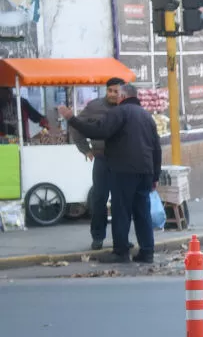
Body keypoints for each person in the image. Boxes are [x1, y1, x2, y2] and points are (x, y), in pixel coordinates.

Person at [56, 83, 161, 264]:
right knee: (142, 212)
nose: (116, 96)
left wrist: (72, 119)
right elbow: (157, 148)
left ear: (124, 96)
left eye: (118, 93)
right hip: (145, 171)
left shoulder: (119, 113)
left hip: (123, 170)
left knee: (121, 211)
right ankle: (147, 252)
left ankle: (120, 252)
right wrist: (155, 176)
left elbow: (98, 132)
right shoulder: (146, 116)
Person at [69, 77, 124, 250]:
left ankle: (120, 240)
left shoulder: (127, 108)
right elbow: (76, 126)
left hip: (122, 161)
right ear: (106, 91)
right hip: (101, 158)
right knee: (99, 199)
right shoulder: (94, 107)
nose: (113, 95)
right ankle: (98, 237)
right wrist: (85, 149)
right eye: (110, 91)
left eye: (117, 91)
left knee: (120, 201)